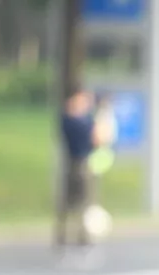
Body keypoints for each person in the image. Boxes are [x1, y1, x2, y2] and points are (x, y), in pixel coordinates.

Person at [56, 86, 102, 261]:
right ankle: (78, 237)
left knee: (76, 203)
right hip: (80, 163)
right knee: (80, 202)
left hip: (77, 163)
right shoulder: (76, 121)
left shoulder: (75, 120)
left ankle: (71, 236)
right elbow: (96, 139)